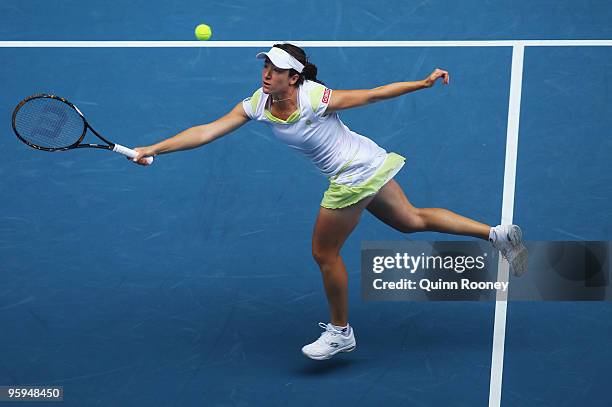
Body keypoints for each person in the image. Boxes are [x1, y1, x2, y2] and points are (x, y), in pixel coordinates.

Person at [131, 43, 528, 361]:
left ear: (295, 76)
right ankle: (497, 235)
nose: (267, 73)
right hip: (370, 163)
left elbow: (371, 95)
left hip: (354, 176)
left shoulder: (314, 97)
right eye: (265, 66)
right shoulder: (256, 105)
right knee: (411, 220)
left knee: (324, 253)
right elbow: (205, 132)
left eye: (276, 69)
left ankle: (341, 332)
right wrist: (154, 148)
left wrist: (420, 85)